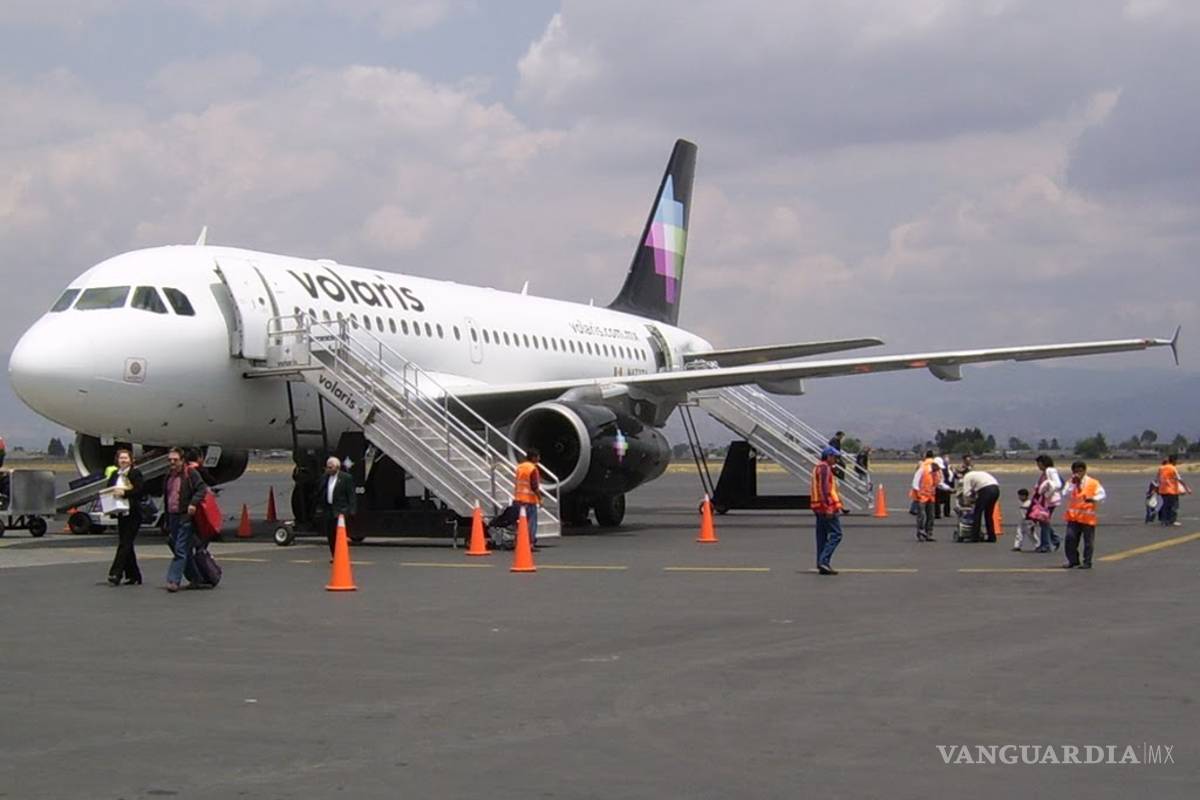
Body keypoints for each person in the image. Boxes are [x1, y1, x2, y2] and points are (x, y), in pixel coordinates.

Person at [162, 447, 209, 592]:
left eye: (175, 460)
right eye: (170, 460)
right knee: (182, 548)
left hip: (185, 516)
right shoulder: (169, 475)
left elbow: (202, 489)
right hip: (172, 515)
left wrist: (193, 503)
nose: (172, 463)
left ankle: (173, 580)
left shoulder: (190, 473)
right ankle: (196, 577)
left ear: (182, 460)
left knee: (180, 549)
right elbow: (167, 497)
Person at [106, 449, 146, 586]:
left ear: (131, 460)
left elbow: (140, 490)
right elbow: (109, 489)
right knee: (127, 544)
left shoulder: (135, 473)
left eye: (125, 458)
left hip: (133, 513)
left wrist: (124, 492)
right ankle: (134, 575)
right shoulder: (114, 474)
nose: (123, 460)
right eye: (121, 458)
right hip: (121, 513)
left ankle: (115, 573)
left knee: (124, 544)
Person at [1062, 461, 1106, 569]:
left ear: (1084, 471)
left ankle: (1087, 561)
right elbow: (1065, 494)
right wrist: (1073, 483)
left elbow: (1102, 495)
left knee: (1088, 542)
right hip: (1074, 517)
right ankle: (1073, 560)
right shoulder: (1070, 482)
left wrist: (1094, 499)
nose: (1078, 473)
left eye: (1080, 471)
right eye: (1075, 471)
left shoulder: (1093, 482)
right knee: (1070, 538)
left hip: (1087, 517)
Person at [314, 456, 357, 558]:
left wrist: (352, 509)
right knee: (330, 534)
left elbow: (351, 495)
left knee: (340, 535)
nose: (328, 469)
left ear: (337, 467)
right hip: (329, 509)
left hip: (341, 510)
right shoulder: (325, 477)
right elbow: (320, 491)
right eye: (327, 467)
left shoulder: (346, 478)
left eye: (330, 468)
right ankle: (334, 555)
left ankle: (341, 555)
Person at [811, 446, 844, 574]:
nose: (836, 460)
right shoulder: (825, 468)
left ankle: (821, 562)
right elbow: (825, 489)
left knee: (822, 536)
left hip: (818, 506)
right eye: (835, 457)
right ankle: (824, 561)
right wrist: (829, 507)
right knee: (836, 534)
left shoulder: (818, 467)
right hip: (825, 507)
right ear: (829, 456)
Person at [1032, 455, 1064, 552]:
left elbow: (1058, 484)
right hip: (1045, 501)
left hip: (1049, 501)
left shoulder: (1050, 471)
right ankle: (1054, 539)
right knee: (1044, 521)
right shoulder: (1046, 472)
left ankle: (1046, 544)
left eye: (1039, 464)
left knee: (1044, 521)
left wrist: (1047, 493)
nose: (1038, 466)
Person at [960, 467, 1001, 542]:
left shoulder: (966, 477)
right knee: (988, 514)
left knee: (977, 513)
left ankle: (975, 537)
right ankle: (992, 536)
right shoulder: (977, 474)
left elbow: (966, 493)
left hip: (986, 490)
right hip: (996, 489)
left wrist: (967, 503)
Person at [513, 448, 542, 548]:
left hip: (518, 499)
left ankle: (519, 541)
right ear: (534, 458)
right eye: (538, 456)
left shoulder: (520, 467)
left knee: (520, 523)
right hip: (529, 500)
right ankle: (530, 543)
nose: (539, 458)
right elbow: (534, 486)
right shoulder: (532, 469)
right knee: (531, 523)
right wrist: (540, 499)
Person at [915, 460, 949, 542]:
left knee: (931, 516)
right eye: (938, 467)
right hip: (922, 496)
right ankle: (920, 532)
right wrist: (918, 494)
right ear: (934, 465)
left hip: (931, 497)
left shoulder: (937, 473)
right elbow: (915, 483)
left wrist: (949, 489)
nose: (939, 469)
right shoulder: (923, 470)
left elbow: (939, 484)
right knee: (921, 516)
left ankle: (929, 533)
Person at [1156, 454, 1191, 527]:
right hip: (1171, 490)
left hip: (1163, 490)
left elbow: (1158, 478)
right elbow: (1179, 479)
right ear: (1174, 461)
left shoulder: (1161, 468)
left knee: (1165, 505)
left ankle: (1164, 520)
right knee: (1174, 506)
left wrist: (1157, 488)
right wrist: (1187, 487)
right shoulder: (1173, 468)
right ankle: (1172, 520)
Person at [1011, 488, 1041, 552]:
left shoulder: (1029, 503)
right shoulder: (1022, 503)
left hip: (1029, 521)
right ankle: (1017, 546)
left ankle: (1038, 545)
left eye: (1021, 496)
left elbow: (1033, 513)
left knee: (1031, 534)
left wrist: (1033, 522)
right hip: (1022, 520)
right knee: (1019, 533)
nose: (1019, 497)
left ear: (1025, 496)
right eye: (1019, 496)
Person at [935, 453, 953, 519]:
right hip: (938, 487)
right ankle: (937, 513)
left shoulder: (948, 467)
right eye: (946, 458)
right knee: (937, 500)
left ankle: (944, 513)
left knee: (946, 500)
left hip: (944, 485)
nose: (947, 459)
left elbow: (941, 481)